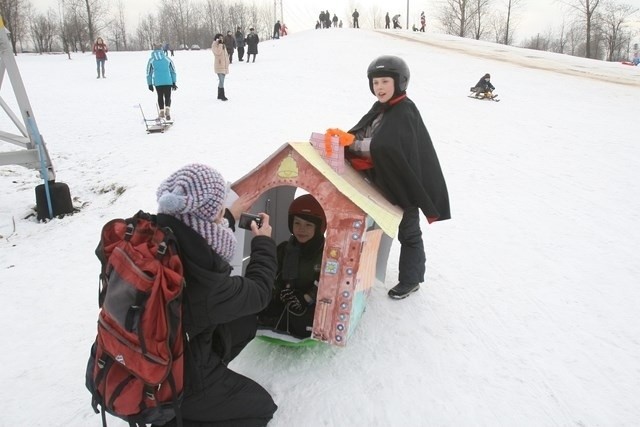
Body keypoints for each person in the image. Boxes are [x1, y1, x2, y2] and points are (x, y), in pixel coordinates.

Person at [154, 163, 278, 427]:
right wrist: (264, 242)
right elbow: (259, 292)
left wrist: (227, 219)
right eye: (220, 208)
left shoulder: (154, 239)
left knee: (244, 322)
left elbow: (194, 235)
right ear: (212, 214)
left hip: (144, 357)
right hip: (174, 379)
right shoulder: (205, 283)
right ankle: (176, 416)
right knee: (261, 408)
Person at [345, 55, 450, 300]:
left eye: (384, 82)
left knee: (408, 233)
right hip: (378, 183)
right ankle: (363, 272)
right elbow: (362, 132)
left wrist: (354, 145)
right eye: (375, 82)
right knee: (370, 228)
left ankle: (411, 280)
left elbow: (385, 147)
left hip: (402, 186)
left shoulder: (404, 110)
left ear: (399, 82)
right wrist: (345, 140)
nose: (379, 87)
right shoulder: (381, 108)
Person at [258, 194, 326, 338]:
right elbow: (271, 274)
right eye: (297, 223)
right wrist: (279, 293)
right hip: (287, 301)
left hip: (310, 305)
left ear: (318, 227)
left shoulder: (327, 254)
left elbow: (329, 284)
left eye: (308, 225)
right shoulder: (285, 249)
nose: (302, 229)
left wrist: (306, 298)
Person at [146, 43, 177, 120]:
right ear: (161, 49)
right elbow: (173, 71)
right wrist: (174, 82)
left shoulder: (151, 60)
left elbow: (148, 73)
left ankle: (162, 112)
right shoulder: (167, 59)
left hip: (158, 82)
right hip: (167, 81)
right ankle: (167, 110)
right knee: (167, 96)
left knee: (160, 96)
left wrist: (149, 84)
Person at [212, 33, 230, 101]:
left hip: (224, 65)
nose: (221, 39)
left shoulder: (223, 45)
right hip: (219, 65)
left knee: (222, 81)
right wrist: (219, 44)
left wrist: (227, 62)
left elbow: (225, 54)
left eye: (222, 38)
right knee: (221, 80)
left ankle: (219, 95)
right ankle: (222, 95)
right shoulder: (215, 44)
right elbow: (217, 52)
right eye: (220, 38)